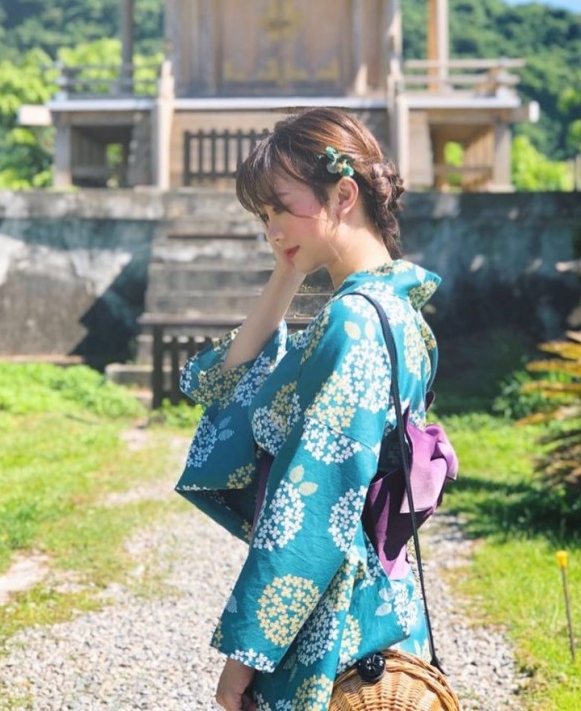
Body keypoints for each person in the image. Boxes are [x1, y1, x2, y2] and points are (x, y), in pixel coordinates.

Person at [175, 107, 444, 711]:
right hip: (387, 604)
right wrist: (286, 274)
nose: (272, 229)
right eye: (263, 216)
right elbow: (217, 383)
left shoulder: (350, 322)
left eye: (281, 208)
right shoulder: (401, 312)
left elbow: (311, 503)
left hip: (332, 618)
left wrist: (244, 658)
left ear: (343, 194)